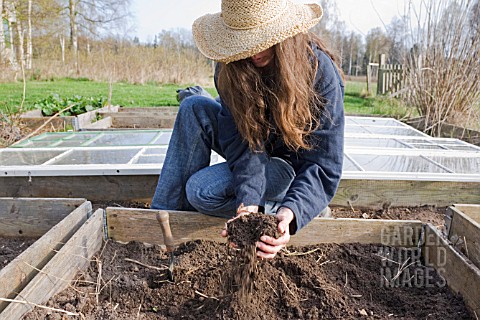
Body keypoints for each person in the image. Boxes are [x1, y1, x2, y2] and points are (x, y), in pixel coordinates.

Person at [151, 0, 345, 259]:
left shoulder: (319, 74)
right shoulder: (231, 68)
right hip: (255, 154)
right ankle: (161, 226)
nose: (254, 52)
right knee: (193, 106)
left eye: (263, 39)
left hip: (288, 163)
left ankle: (298, 204)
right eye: (244, 41)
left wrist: (291, 213)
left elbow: (323, 165)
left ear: (283, 33)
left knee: (200, 191)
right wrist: (247, 203)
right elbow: (243, 143)